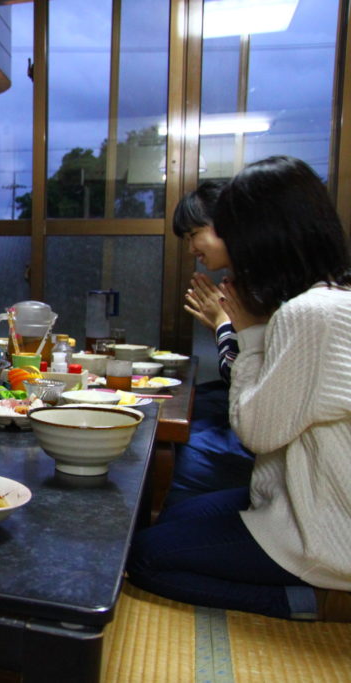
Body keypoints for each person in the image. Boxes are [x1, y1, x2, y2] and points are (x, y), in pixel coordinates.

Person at [127, 156, 351, 621]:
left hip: (326, 528)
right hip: (292, 496)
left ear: (263, 232)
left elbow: (255, 433)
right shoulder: (330, 297)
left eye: (230, 227)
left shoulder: (310, 314)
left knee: (144, 558)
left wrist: (243, 330)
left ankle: (319, 600)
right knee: (176, 517)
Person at [164, 180, 255, 507]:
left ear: (229, 224)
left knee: (182, 442)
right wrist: (224, 325)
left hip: (258, 428)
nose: (191, 249)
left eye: (193, 235)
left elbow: (243, 375)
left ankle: (169, 518)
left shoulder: (266, 281)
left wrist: (222, 325)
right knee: (191, 403)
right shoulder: (241, 277)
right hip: (246, 409)